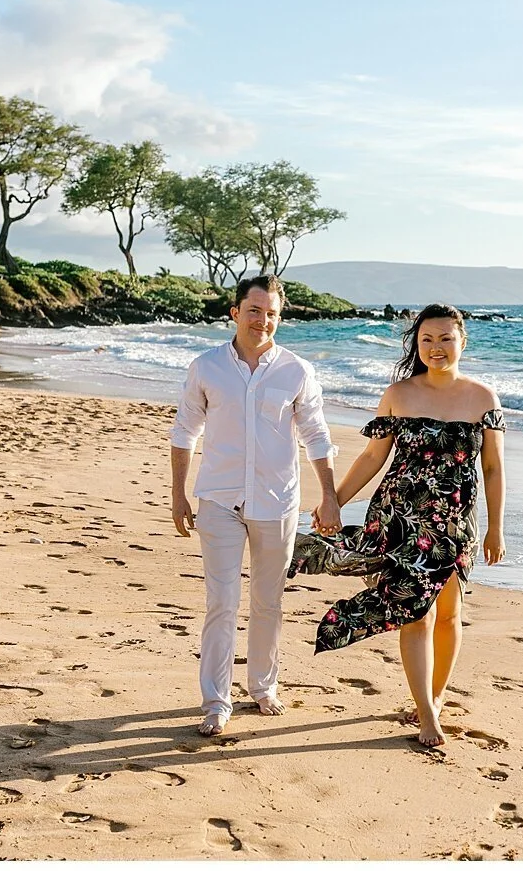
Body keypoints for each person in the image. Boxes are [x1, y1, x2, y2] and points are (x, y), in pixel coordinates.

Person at [290, 303, 505, 748]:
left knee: (449, 614)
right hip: (401, 520)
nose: (436, 348)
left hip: (456, 523)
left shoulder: (483, 398)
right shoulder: (399, 394)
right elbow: (373, 456)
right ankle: (426, 713)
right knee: (417, 615)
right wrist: (333, 499)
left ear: (463, 341)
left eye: (446, 338)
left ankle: (437, 694)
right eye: (427, 339)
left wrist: (495, 529)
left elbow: (494, 469)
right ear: (417, 344)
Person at [169, 275, 343, 737]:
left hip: (277, 502)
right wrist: (178, 494)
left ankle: (263, 687)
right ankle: (215, 701)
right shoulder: (206, 367)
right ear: (235, 312)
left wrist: (328, 495)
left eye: (271, 314)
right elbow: (185, 431)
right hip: (218, 499)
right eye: (254, 310)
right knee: (221, 603)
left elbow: (316, 436)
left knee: (269, 603)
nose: (262, 320)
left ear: (279, 319)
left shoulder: (297, 371)